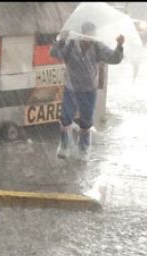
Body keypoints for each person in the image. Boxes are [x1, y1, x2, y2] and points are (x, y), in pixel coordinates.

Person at [50, 21, 124, 161]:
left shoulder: (97, 46)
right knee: (65, 118)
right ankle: (64, 146)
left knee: (86, 122)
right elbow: (54, 54)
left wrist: (119, 46)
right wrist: (61, 40)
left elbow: (114, 58)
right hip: (71, 88)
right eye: (87, 35)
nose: (89, 38)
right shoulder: (70, 45)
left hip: (89, 91)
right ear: (81, 35)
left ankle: (83, 150)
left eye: (92, 35)